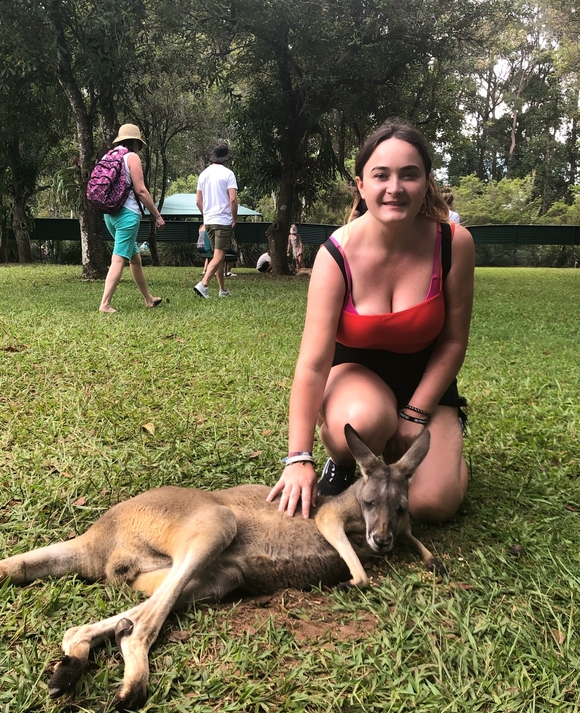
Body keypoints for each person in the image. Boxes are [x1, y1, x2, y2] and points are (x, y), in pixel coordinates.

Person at [267, 120, 475, 524]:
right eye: (381, 175)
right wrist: (298, 457)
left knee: (432, 505)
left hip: (425, 383)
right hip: (355, 377)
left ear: (426, 183)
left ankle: (448, 461)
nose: (394, 188)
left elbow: (453, 342)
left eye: (409, 175)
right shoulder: (335, 255)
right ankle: (341, 464)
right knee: (361, 422)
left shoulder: (453, 243)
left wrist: (416, 413)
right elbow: (312, 364)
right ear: (361, 185)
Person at [99, 124, 164, 313]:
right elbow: (141, 191)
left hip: (109, 215)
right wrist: (157, 216)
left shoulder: (108, 156)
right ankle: (105, 304)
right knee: (118, 259)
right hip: (127, 216)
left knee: (134, 258)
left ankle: (148, 299)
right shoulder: (132, 157)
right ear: (136, 142)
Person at [193, 142, 238, 299]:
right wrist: (234, 218)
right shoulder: (228, 174)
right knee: (219, 256)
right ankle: (203, 284)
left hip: (209, 221)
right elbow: (232, 199)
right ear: (226, 158)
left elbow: (198, 200)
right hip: (222, 220)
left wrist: (206, 215)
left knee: (217, 256)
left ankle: (222, 289)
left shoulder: (203, 174)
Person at [197, 223, 228, 292]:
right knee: (218, 257)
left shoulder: (204, 225)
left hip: (204, 247)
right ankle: (203, 283)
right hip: (221, 225)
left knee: (218, 258)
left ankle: (223, 289)